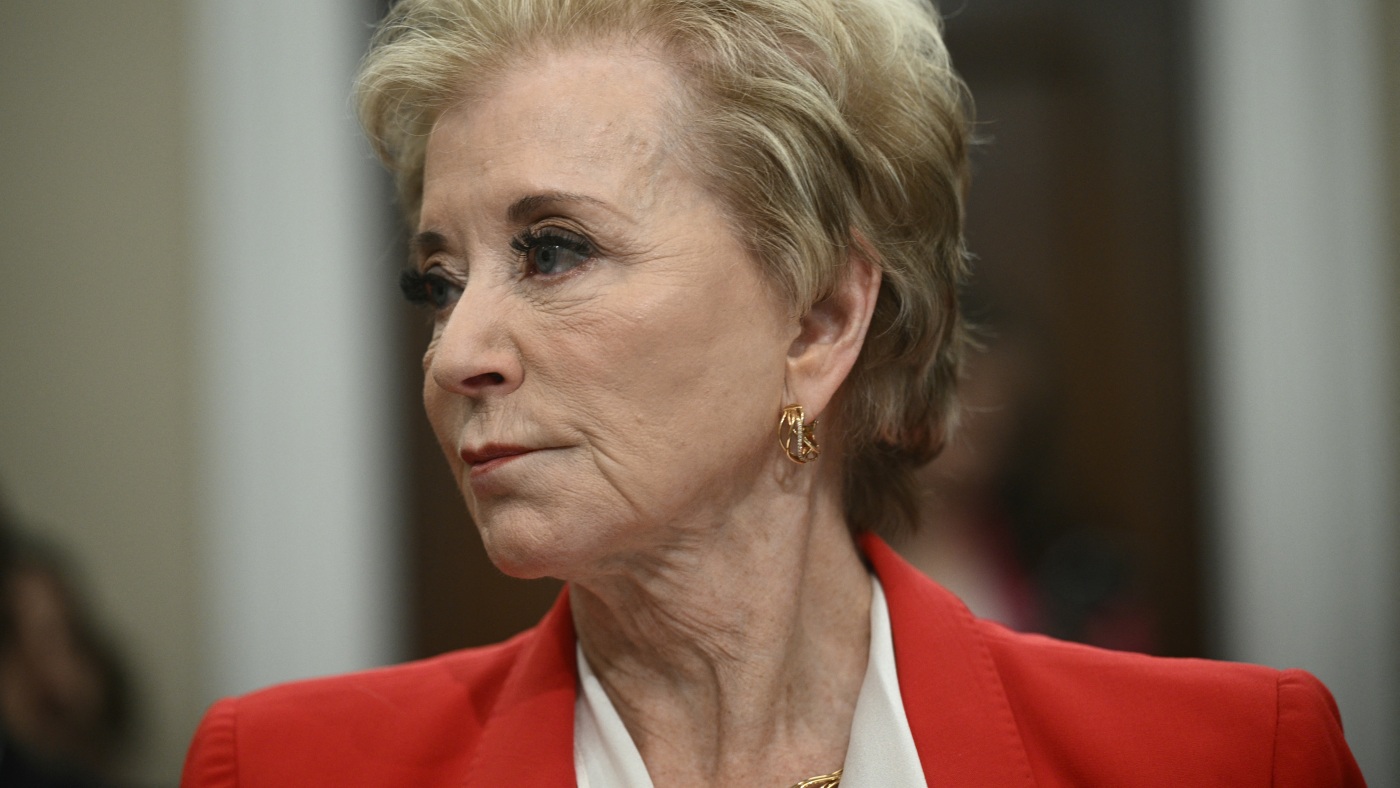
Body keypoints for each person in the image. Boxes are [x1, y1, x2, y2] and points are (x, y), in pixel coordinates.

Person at [181, 0, 1364, 784]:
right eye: (438, 280)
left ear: (817, 320)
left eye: (552, 250)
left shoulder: (1230, 757)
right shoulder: (282, 766)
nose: (453, 355)